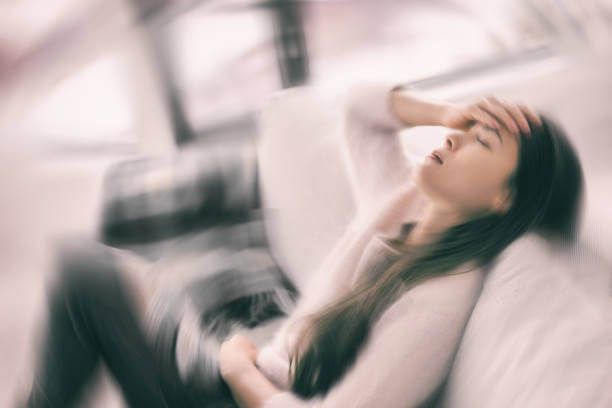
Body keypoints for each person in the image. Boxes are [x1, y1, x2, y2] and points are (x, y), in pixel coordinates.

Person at [22, 81, 584, 408]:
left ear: (503, 199)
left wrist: (239, 370)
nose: (455, 138)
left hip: (237, 392)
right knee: (110, 274)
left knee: (82, 271)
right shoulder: (405, 204)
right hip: (251, 360)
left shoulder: (436, 304)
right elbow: (360, 112)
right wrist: (442, 110)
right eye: (465, 127)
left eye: (481, 140)